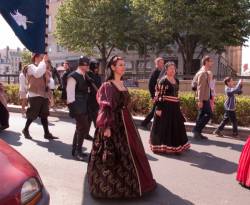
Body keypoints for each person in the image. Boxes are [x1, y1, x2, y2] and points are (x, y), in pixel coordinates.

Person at [87, 55, 156, 198]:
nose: (123, 67)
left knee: (132, 151)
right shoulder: (107, 85)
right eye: (120, 65)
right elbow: (105, 108)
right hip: (113, 123)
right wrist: (106, 128)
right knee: (113, 153)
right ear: (112, 67)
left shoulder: (123, 83)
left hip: (126, 122)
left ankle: (138, 181)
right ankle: (111, 187)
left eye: (124, 65)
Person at [150, 62, 190, 154]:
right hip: (165, 107)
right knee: (164, 126)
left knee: (176, 126)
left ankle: (175, 146)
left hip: (174, 107)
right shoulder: (163, 81)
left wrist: (178, 106)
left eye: (174, 68)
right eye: (170, 69)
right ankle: (164, 146)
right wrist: (159, 108)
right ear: (166, 70)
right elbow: (159, 95)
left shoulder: (177, 80)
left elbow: (176, 94)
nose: (172, 70)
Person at [22, 54, 56, 140]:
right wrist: (44, 62)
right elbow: (37, 74)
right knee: (32, 114)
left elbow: (50, 83)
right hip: (35, 94)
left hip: (44, 94)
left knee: (44, 115)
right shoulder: (30, 67)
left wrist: (49, 78)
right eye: (41, 58)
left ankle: (47, 133)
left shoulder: (44, 68)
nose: (43, 60)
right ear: (36, 58)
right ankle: (25, 129)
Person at [67, 56, 90, 161]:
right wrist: (72, 109)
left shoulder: (85, 75)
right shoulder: (73, 76)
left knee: (80, 128)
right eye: (85, 65)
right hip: (77, 105)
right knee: (83, 128)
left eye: (87, 65)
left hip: (84, 105)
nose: (87, 67)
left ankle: (76, 149)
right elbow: (70, 94)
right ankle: (77, 151)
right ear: (81, 65)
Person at [192, 56, 213, 140]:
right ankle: (196, 130)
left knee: (201, 115)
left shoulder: (206, 72)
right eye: (211, 61)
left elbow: (208, 86)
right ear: (206, 62)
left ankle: (197, 132)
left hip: (205, 97)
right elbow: (200, 87)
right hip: (203, 98)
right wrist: (200, 100)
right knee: (209, 114)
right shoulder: (203, 73)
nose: (212, 63)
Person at [141, 57, 165, 128]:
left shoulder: (163, 72)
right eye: (161, 62)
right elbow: (150, 85)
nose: (162, 64)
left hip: (162, 95)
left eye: (163, 62)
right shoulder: (155, 73)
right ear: (157, 63)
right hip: (156, 95)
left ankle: (155, 125)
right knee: (154, 111)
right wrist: (153, 96)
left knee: (158, 110)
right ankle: (144, 123)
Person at [86, 59, 102, 138]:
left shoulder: (98, 76)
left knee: (90, 117)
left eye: (97, 67)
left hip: (97, 99)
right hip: (90, 99)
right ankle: (100, 135)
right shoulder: (88, 74)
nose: (96, 68)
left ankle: (86, 134)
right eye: (95, 67)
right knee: (95, 118)